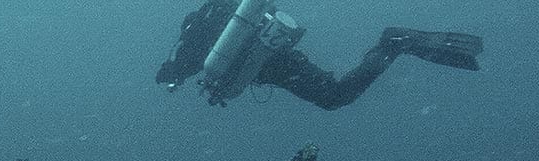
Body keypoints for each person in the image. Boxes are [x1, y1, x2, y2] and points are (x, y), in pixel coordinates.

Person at [157, 0, 482, 109]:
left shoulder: (196, 31)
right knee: (334, 95)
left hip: (274, 64)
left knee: (334, 97)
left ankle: (393, 43)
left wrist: (170, 73)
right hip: (276, 55)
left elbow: (182, 64)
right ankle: (394, 44)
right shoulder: (221, 13)